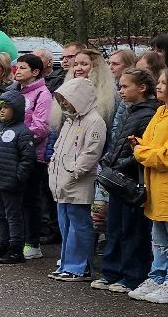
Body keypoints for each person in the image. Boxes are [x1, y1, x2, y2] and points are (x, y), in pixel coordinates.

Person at [93, 69, 159, 293]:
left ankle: (132, 275)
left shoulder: (149, 114)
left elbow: (139, 149)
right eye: (120, 86)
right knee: (115, 227)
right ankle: (112, 271)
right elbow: (119, 143)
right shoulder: (131, 111)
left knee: (133, 230)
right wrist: (109, 162)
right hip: (118, 179)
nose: (121, 91)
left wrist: (118, 166)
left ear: (141, 87)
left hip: (131, 180)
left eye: (125, 86)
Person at [45, 77, 107, 281]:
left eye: (67, 100)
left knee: (79, 225)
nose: (64, 104)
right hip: (61, 182)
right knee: (65, 225)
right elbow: (59, 148)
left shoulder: (94, 121)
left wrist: (75, 172)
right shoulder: (71, 121)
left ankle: (79, 266)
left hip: (77, 182)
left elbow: (91, 152)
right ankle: (67, 263)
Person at [0, 92, 37, 263]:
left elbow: (28, 159)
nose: (2, 111)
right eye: (0, 108)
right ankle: (2, 245)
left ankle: (16, 248)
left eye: (6, 107)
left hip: (11, 182)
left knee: (13, 215)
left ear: (17, 109)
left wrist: (18, 177)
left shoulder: (22, 131)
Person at [11, 53, 56, 257]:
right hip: (10, 153)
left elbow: (41, 127)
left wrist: (17, 139)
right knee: (14, 198)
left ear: (35, 72)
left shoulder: (42, 94)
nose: (17, 71)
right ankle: (15, 239)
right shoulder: (13, 92)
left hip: (31, 154)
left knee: (30, 198)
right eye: (17, 67)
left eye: (23, 68)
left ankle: (32, 242)